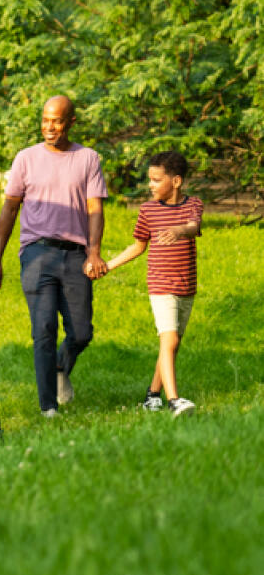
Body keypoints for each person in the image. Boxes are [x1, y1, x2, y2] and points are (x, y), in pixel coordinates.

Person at [0, 95, 108, 416]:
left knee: (81, 332)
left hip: (75, 255)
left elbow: (95, 209)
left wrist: (93, 252)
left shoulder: (88, 158)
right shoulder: (26, 159)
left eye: (56, 120)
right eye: (45, 120)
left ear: (71, 122)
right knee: (43, 329)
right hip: (37, 253)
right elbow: (9, 209)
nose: (49, 127)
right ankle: (47, 407)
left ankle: (58, 367)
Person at [103, 150, 201, 416]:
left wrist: (180, 230)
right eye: (150, 179)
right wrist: (108, 266)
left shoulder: (193, 205)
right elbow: (138, 246)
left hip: (186, 286)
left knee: (173, 344)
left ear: (176, 181)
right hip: (160, 285)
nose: (151, 185)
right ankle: (174, 401)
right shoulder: (147, 210)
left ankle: (152, 395)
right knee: (168, 340)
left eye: (157, 180)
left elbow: (193, 226)